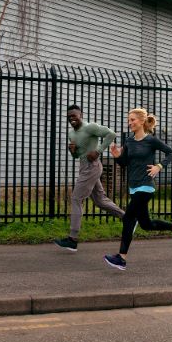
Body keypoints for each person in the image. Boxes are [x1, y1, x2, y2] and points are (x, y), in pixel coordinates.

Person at [104, 107, 172, 270]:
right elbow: (125, 163)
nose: (130, 123)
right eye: (129, 120)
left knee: (128, 218)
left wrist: (159, 166)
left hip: (146, 187)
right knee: (146, 224)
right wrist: (117, 156)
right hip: (134, 187)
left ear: (141, 121)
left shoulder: (151, 140)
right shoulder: (129, 141)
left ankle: (121, 258)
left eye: (132, 120)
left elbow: (171, 153)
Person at [54, 104, 125, 251]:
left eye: (74, 115)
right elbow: (76, 156)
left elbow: (111, 134)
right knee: (100, 200)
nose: (71, 118)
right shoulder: (71, 133)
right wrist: (72, 151)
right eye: (69, 117)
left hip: (92, 167)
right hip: (84, 167)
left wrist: (98, 151)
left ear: (81, 114)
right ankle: (127, 218)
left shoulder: (90, 127)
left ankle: (73, 239)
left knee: (76, 198)